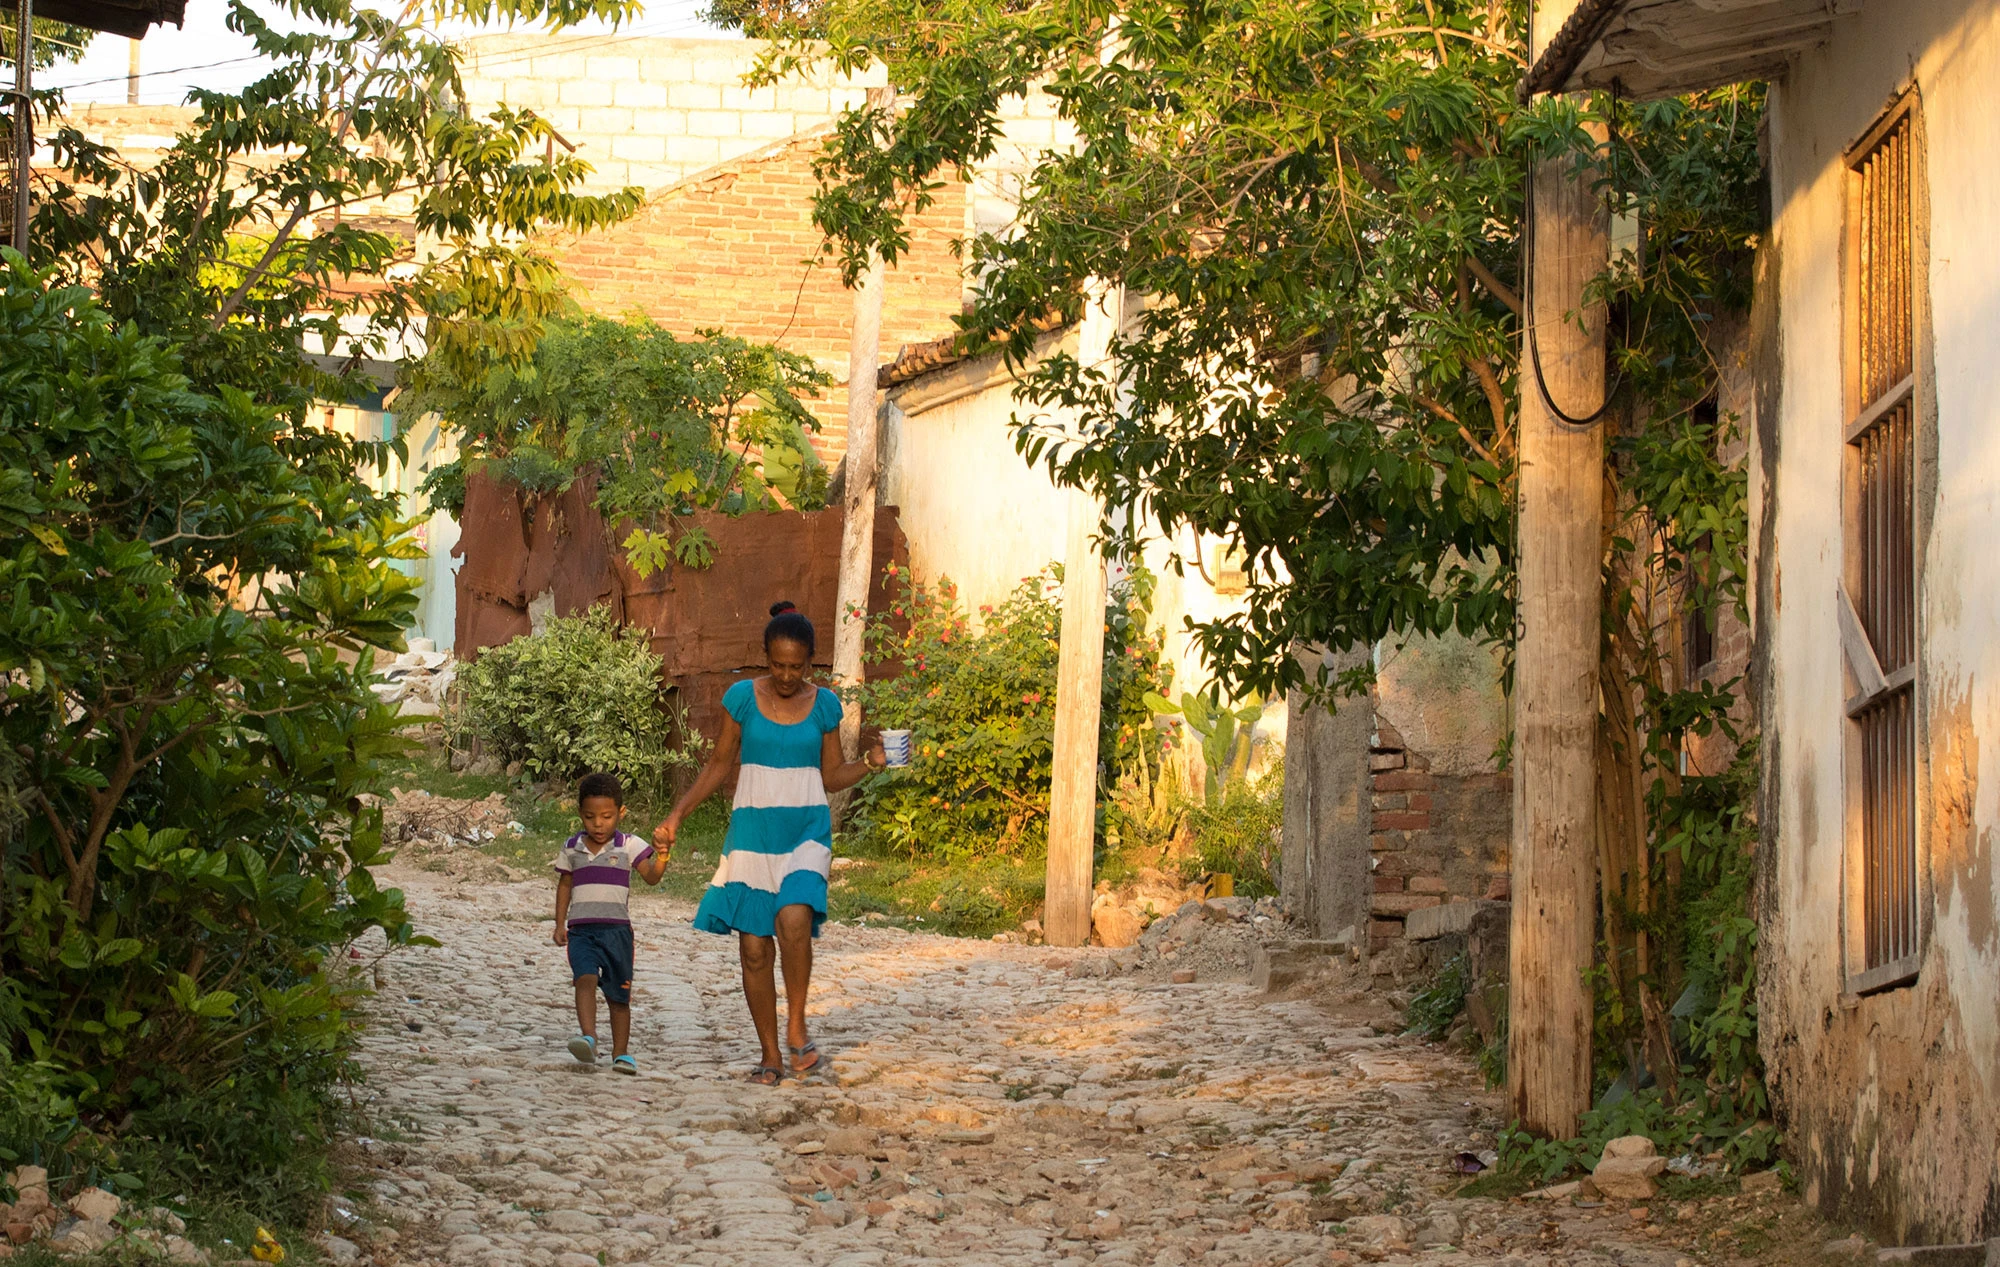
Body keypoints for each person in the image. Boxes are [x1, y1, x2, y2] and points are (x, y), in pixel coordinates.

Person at [655, 601, 887, 1085]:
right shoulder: (741, 698)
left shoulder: (824, 705)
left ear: (810, 663)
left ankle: (797, 1023)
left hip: (806, 831)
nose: (786, 675)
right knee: (755, 949)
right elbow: (719, 765)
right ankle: (769, 1055)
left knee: (794, 917)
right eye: (778, 664)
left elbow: (831, 775)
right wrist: (677, 815)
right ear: (766, 657)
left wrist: (869, 762)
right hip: (752, 835)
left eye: (796, 666)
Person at [553, 772, 668, 1075]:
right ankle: (588, 1037)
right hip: (581, 931)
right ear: (580, 813)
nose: (598, 824)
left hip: (617, 933)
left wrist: (664, 857)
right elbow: (565, 885)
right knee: (584, 979)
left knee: (619, 996)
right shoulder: (571, 847)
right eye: (590, 817)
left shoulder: (629, 845)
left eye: (606, 816)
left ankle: (621, 1053)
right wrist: (559, 923)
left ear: (621, 812)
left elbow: (652, 877)